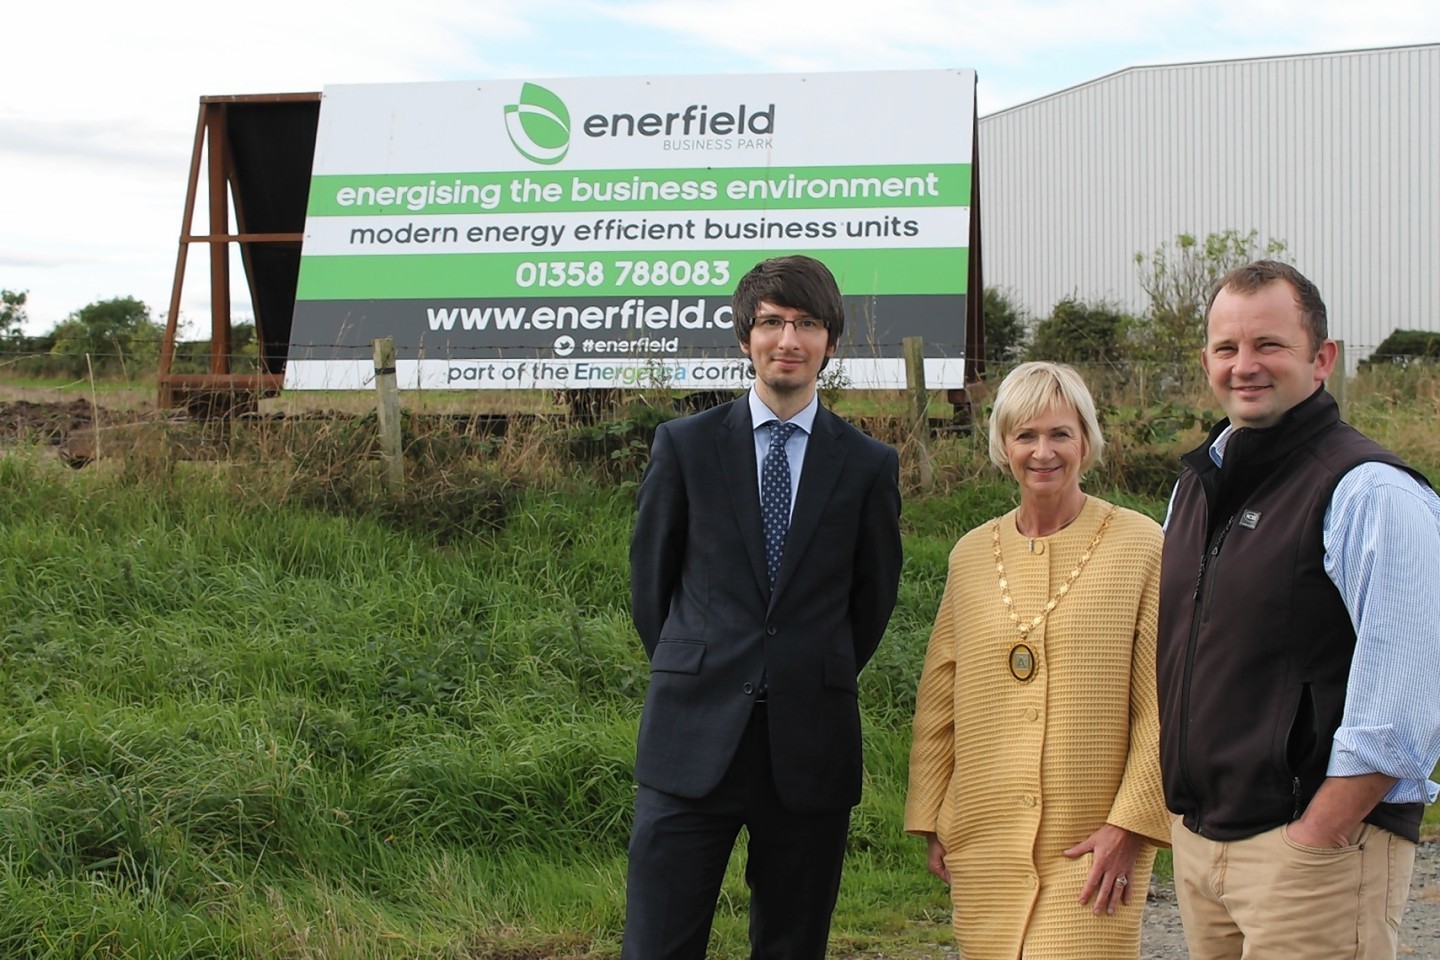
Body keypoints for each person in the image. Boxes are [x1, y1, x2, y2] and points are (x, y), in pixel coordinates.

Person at [1157, 259, 1440, 960]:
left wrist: (1320, 833)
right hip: (1201, 846)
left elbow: (1411, 697)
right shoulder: (1194, 489)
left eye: (1269, 346)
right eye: (1227, 348)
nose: (1245, 365)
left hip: (1313, 855)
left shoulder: (1370, 492)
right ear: (1207, 361)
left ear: (1322, 359)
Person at [622, 254, 903, 960]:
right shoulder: (684, 447)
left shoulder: (868, 465)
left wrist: (806, 663)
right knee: (657, 944)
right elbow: (652, 587)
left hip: (810, 745)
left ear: (830, 341)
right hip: (692, 737)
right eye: (772, 322)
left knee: (791, 945)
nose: (789, 340)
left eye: (807, 323)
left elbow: (872, 601)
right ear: (746, 336)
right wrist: (701, 661)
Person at [906, 361, 1171, 960]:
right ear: (1003, 444)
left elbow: (1163, 701)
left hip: (1093, 843)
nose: (1043, 452)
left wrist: (1130, 827)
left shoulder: (1139, 543)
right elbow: (940, 695)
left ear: (1087, 441)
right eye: (1026, 435)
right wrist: (933, 816)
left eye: (1060, 434)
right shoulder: (970, 554)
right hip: (984, 836)